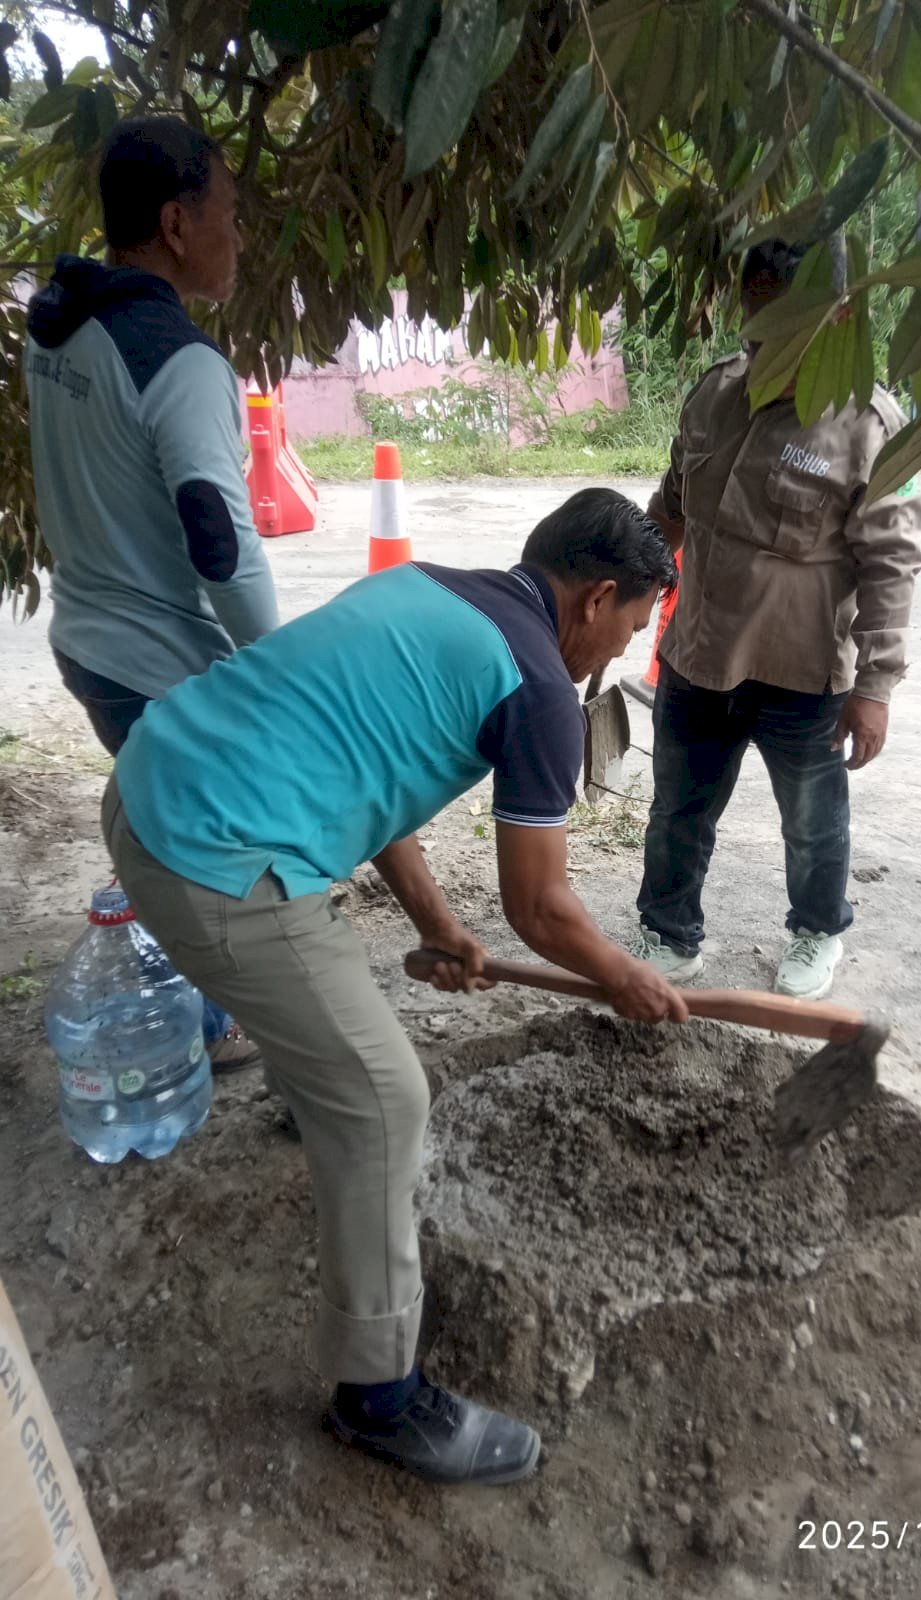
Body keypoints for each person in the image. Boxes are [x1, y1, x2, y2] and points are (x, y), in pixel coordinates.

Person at [102, 489, 687, 1485]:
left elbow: (370, 772)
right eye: (631, 626)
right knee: (383, 1102)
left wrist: (436, 924)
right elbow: (541, 908)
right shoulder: (537, 685)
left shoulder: (426, 591)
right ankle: (380, 1397)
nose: (622, 653)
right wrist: (627, 975)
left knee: (336, 1023)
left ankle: (309, 1084)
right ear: (594, 598)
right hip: (211, 855)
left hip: (151, 782)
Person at [24, 115, 279, 1069]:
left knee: (179, 836)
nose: (239, 238)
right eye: (230, 215)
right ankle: (219, 1025)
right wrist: (275, 663)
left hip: (88, 640)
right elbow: (221, 544)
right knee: (225, 856)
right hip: (158, 661)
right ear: (177, 224)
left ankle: (202, 1014)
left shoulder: (58, 329)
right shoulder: (179, 361)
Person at [632, 239, 921, 1000]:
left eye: (784, 309)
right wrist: (628, 585)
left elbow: (891, 565)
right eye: (754, 306)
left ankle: (817, 931)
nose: (763, 331)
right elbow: (671, 504)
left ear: (838, 314)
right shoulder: (715, 393)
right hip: (698, 653)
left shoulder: (864, 425)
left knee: (813, 824)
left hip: (802, 673)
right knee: (677, 811)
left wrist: (878, 687)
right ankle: (668, 933)